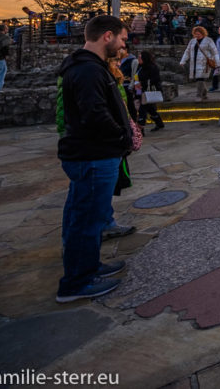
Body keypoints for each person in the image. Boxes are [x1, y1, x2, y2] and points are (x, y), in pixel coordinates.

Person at [55, 15, 133, 302]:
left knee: (84, 215)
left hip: (93, 153)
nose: (124, 43)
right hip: (93, 155)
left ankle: (89, 267)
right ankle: (77, 282)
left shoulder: (87, 67)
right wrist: (122, 137)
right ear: (107, 36)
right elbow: (94, 115)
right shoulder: (87, 71)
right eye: (123, 38)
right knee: (86, 221)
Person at [180, 26, 219, 101]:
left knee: (200, 78)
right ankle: (204, 93)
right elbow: (187, 51)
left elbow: (214, 51)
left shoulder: (208, 41)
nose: (197, 35)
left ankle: (199, 95)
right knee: (199, 78)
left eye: (199, 34)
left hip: (204, 63)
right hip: (194, 62)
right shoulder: (192, 41)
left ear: (203, 33)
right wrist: (183, 61)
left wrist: (215, 61)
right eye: (196, 34)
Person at [136, 50, 164, 132]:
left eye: (140, 57)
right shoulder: (140, 67)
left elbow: (156, 79)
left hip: (148, 91)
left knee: (142, 108)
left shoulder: (152, 67)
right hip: (140, 89)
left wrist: (144, 82)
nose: (138, 58)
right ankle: (159, 123)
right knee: (150, 109)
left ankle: (141, 127)